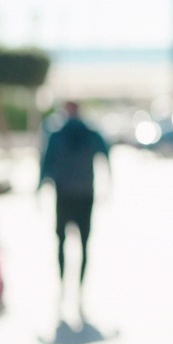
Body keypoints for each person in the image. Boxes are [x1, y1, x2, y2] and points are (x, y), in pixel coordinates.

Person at [38, 101, 110, 297]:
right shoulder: (90, 131)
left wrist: (41, 186)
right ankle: (78, 288)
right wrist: (109, 182)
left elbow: (45, 163)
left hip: (64, 194)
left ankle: (63, 286)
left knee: (61, 241)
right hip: (86, 193)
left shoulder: (56, 132)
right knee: (84, 244)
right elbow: (105, 153)